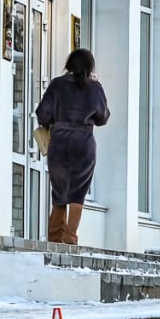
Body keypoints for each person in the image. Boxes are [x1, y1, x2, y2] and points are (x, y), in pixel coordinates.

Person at [34, 49, 110, 245]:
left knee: (59, 189)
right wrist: (98, 85)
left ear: (69, 64)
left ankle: (55, 236)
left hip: (59, 142)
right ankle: (70, 236)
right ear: (90, 67)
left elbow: (43, 114)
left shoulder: (57, 85)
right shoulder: (94, 88)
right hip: (83, 143)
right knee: (78, 191)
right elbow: (102, 117)